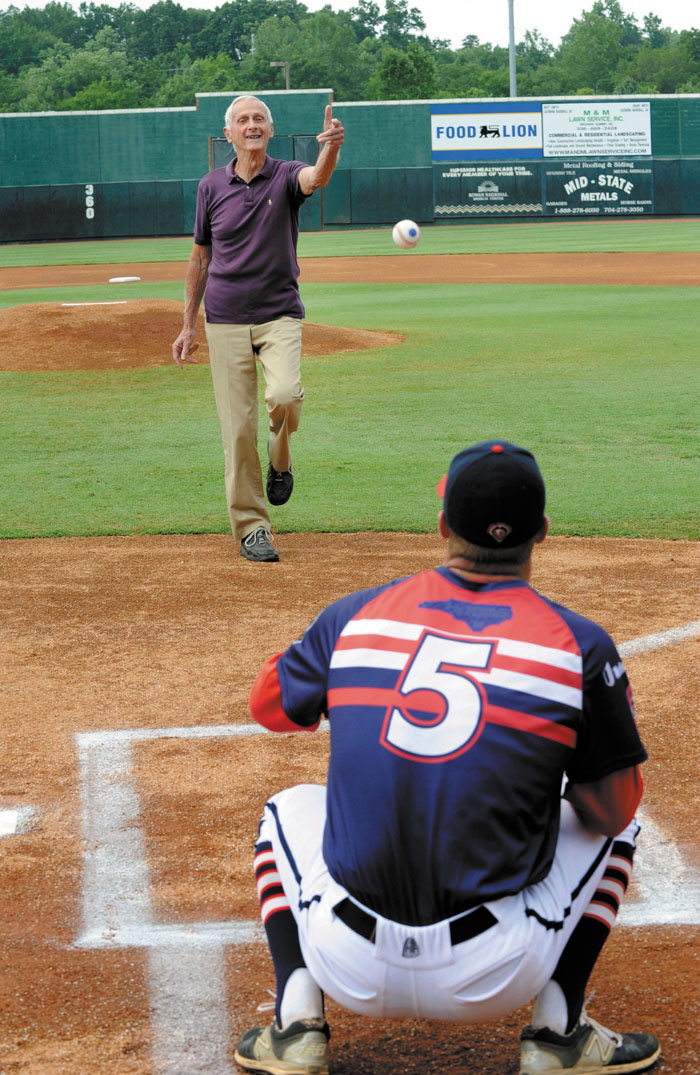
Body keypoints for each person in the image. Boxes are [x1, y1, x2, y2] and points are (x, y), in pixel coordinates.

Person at [234, 439, 661, 1075]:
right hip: (496, 972)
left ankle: (296, 1023)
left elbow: (268, 709)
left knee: (285, 809)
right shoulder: (579, 646)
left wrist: (331, 655)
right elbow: (610, 808)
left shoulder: (356, 617)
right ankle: (558, 1033)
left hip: (344, 960)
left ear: (441, 527)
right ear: (542, 533)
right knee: (624, 819)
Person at [172, 96, 344, 563]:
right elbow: (200, 258)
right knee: (237, 430)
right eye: (242, 120)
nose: (251, 126)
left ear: (270, 129)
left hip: (278, 314)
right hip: (224, 317)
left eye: (258, 119)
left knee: (285, 396)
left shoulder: (287, 175)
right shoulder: (211, 186)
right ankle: (252, 528)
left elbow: (318, 177)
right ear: (227, 134)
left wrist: (329, 147)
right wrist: (189, 324)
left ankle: (281, 461)